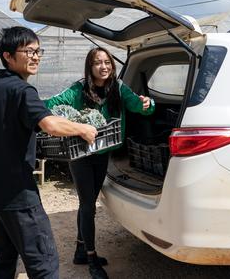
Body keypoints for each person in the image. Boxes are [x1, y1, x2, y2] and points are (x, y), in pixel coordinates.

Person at [0, 26, 98, 279]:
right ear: (8, 57)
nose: (36, 57)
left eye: (38, 51)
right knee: (43, 263)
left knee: (4, 257)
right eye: (28, 51)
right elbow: (50, 125)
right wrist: (83, 129)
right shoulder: (23, 91)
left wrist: (1, 122)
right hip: (17, 195)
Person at [45, 47, 155, 279]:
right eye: (98, 63)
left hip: (103, 151)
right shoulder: (79, 89)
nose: (103, 66)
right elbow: (53, 103)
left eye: (107, 62)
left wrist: (148, 104)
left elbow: (138, 106)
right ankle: (92, 258)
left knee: (89, 202)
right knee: (88, 205)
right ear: (90, 66)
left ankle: (80, 251)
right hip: (81, 154)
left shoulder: (118, 87)